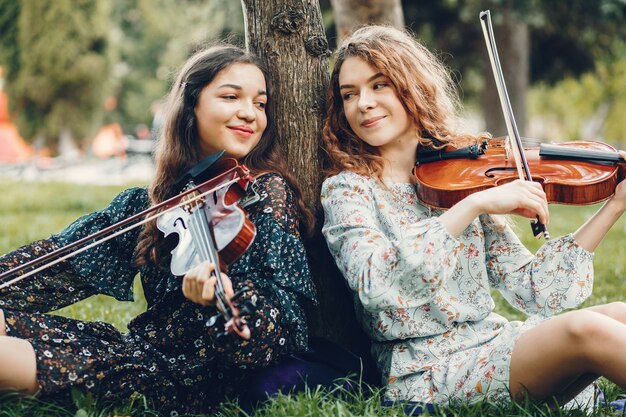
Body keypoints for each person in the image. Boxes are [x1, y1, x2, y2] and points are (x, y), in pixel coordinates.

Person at [320, 25, 626, 409]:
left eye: (379, 85)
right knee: (585, 330)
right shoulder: (348, 190)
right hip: (428, 371)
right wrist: (473, 207)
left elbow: (535, 290)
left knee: (619, 313)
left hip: (490, 344)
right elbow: (376, 284)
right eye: (350, 94)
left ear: (412, 86)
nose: (362, 102)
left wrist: (613, 206)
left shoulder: (461, 175)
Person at [0, 44, 316, 414]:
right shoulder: (155, 206)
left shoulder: (261, 196)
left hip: (182, 385)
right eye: (231, 97)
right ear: (190, 106)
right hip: (133, 352)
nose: (249, 113)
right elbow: (59, 265)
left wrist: (231, 301)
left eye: (260, 104)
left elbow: (283, 326)